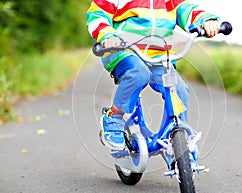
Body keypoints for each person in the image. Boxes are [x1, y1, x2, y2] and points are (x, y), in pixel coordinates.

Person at [86, 0, 220, 150]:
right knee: (139, 73)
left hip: (159, 56)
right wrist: (107, 35)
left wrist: (206, 21)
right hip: (124, 50)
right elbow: (98, 14)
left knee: (179, 89)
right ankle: (114, 116)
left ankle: (179, 135)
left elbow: (187, 10)